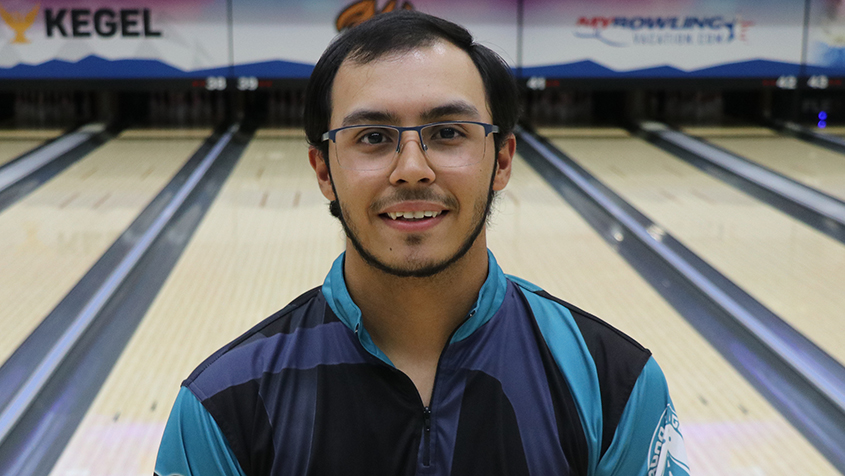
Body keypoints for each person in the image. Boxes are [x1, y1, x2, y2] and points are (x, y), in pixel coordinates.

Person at [154, 10, 688, 476]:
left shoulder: (612, 385)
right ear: (323, 169)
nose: (412, 169)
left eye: (449, 132)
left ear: (501, 160)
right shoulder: (223, 407)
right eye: (373, 138)